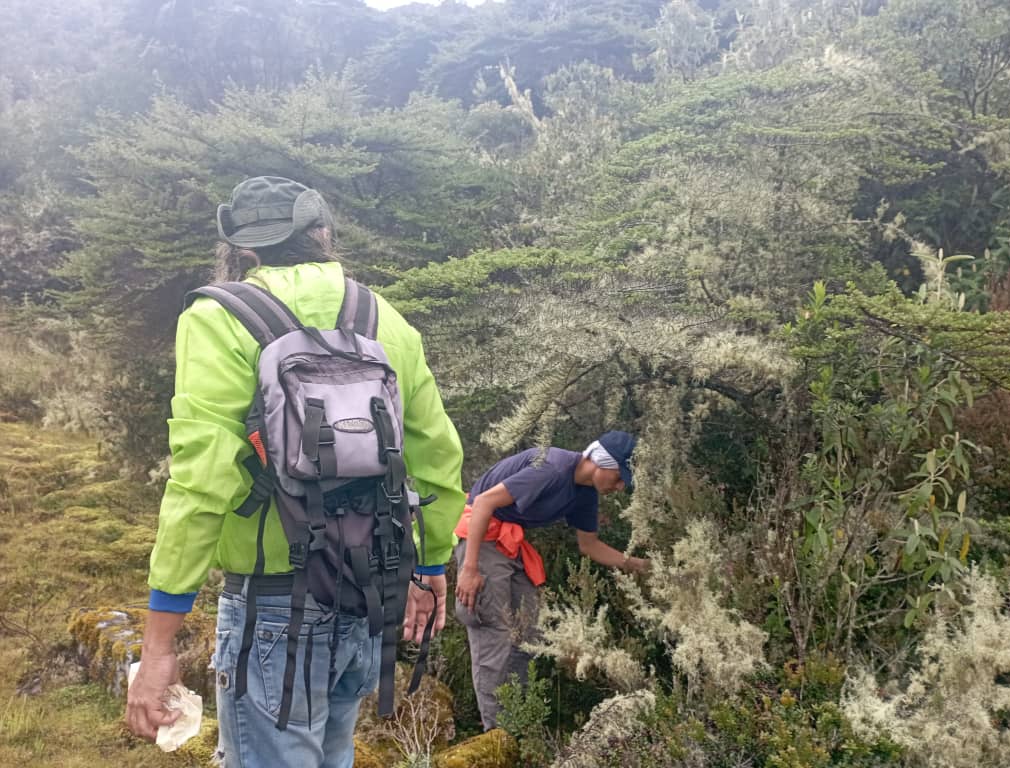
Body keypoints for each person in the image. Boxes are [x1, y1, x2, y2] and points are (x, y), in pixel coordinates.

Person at [125, 175, 464, 768]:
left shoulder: (219, 317)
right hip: (364, 595)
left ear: (242, 248)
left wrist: (158, 647)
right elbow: (437, 454)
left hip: (272, 607)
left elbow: (201, 483)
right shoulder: (382, 316)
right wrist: (431, 564)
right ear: (323, 233)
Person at [454, 431, 648, 731]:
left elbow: (590, 546)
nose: (620, 486)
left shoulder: (585, 494)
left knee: (529, 631)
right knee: (495, 629)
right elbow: (482, 503)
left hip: (510, 544)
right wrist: (469, 569)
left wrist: (639, 565)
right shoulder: (552, 469)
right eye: (619, 477)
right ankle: (495, 734)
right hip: (483, 538)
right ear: (602, 462)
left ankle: (515, 724)